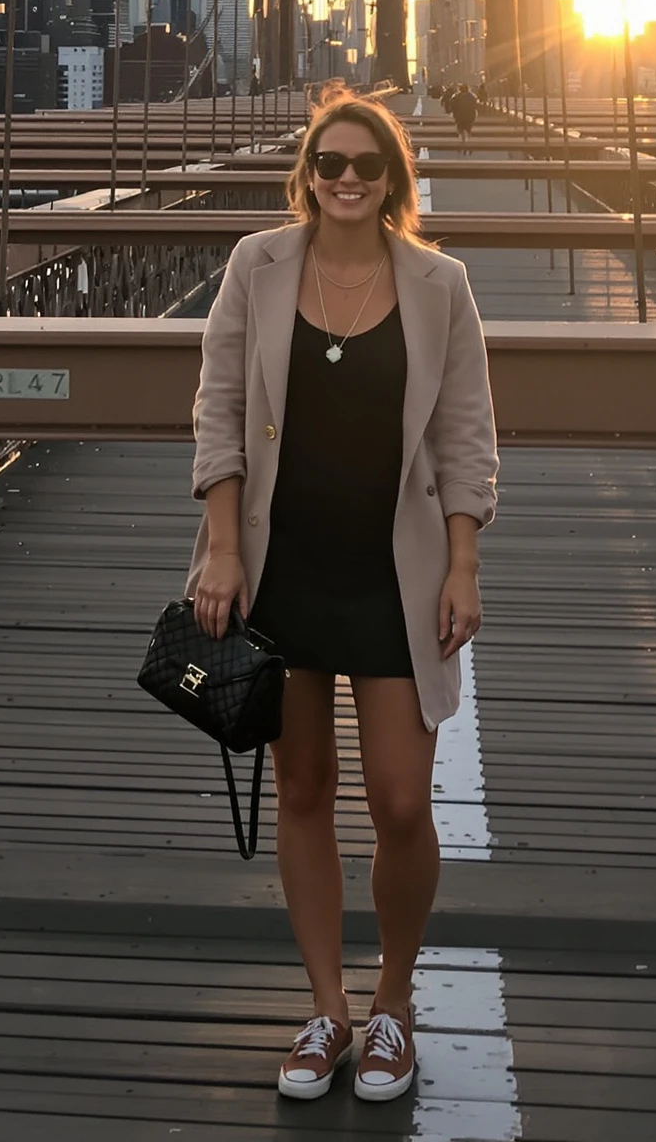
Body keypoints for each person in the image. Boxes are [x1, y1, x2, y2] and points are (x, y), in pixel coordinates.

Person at [189, 88, 498, 1103]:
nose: (349, 177)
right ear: (308, 174)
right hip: (283, 568)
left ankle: (394, 1002)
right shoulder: (258, 266)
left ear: (395, 178)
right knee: (305, 789)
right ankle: (327, 1006)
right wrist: (222, 547)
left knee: (402, 799)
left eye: (368, 163)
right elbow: (220, 409)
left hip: (391, 569)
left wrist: (463, 559)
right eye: (330, 162)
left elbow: (463, 434)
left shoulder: (440, 283)